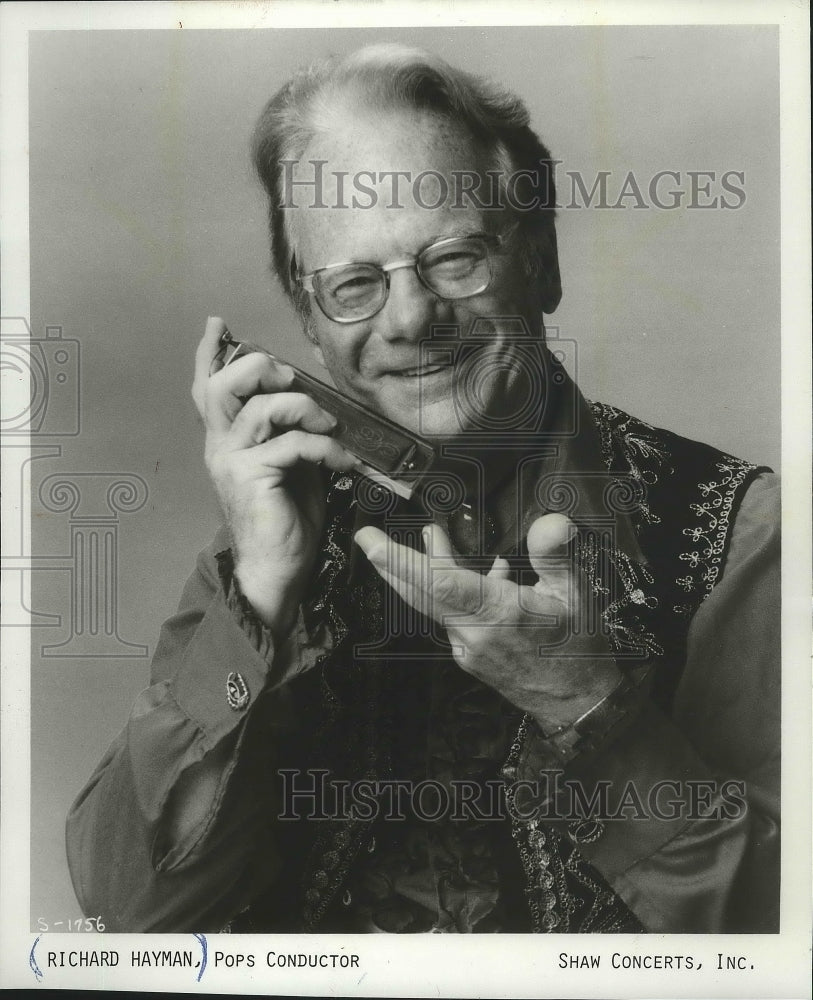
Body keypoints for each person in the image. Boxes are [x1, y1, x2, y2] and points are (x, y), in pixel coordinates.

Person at [65, 44, 780, 934]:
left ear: (541, 261)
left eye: (453, 259)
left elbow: (785, 940)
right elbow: (134, 917)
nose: (409, 320)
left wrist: (585, 702)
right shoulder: (275, 528)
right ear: (309, 323)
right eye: (354, 285)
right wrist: (256, 593)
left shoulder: (745, 534)